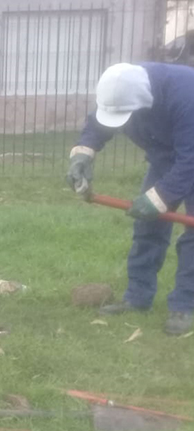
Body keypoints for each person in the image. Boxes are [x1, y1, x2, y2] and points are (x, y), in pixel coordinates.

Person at [67, 62, 194, 335]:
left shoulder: (186, 95)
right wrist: (83, 154)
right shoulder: (122, 90)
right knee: (148, 226)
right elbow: (99, 124)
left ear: (142, 103)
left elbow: (190, 160)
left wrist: (160, 197)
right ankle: (137, 298)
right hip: (166, 156)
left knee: (193, 232)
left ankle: (185, 304)